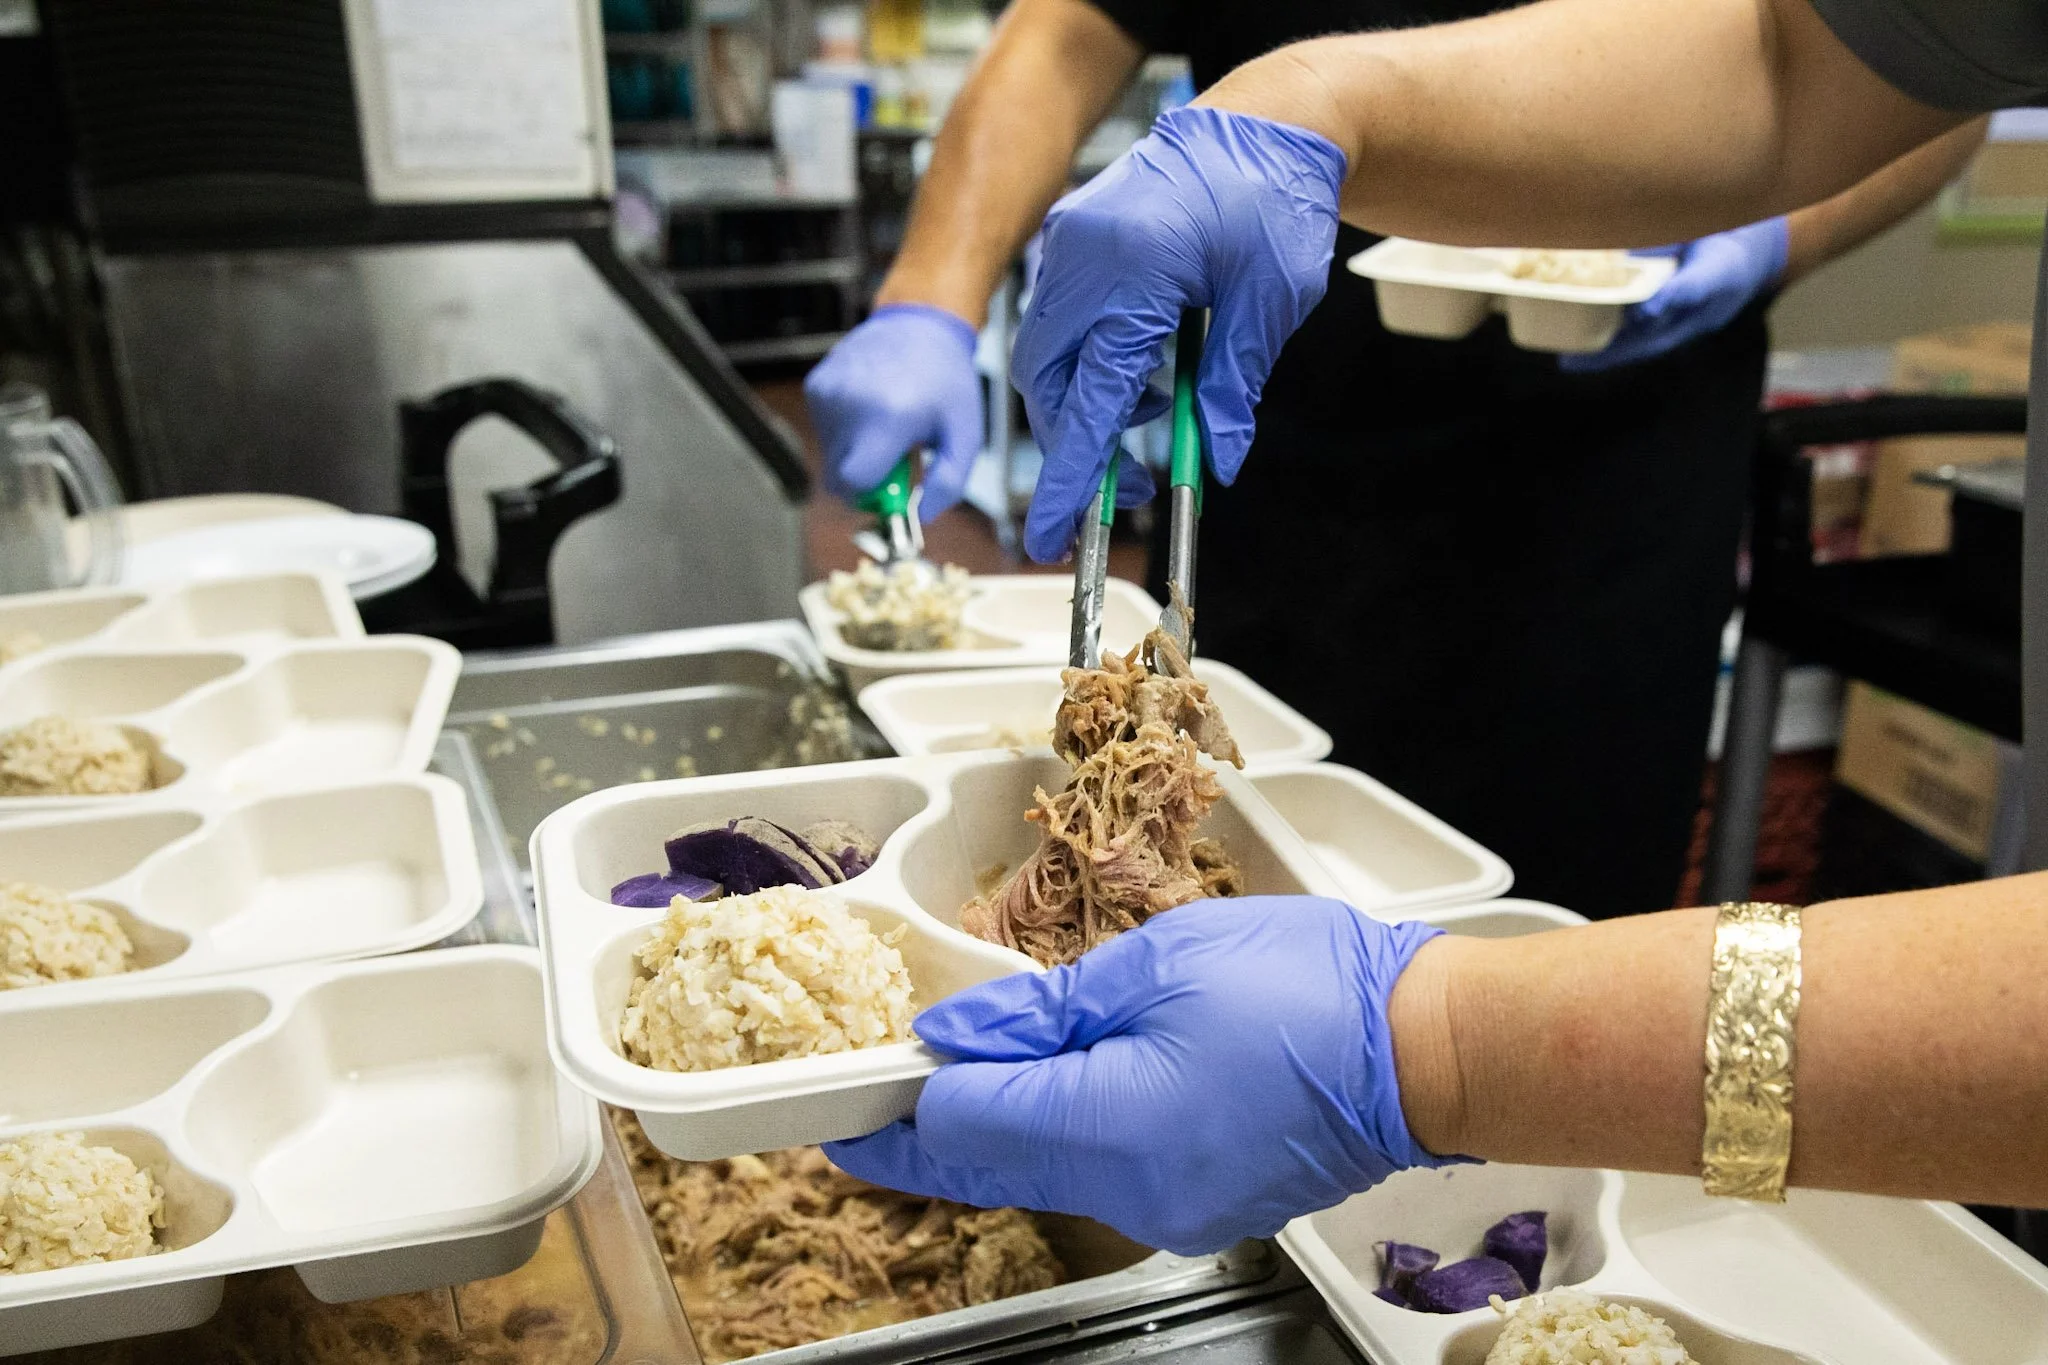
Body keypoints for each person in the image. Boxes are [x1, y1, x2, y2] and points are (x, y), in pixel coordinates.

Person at [822, 0, 2048, 1254]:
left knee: (1555, 904)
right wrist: (1305, 108)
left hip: (1614, 493)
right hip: (1307, 450)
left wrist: (1436, 1049)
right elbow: (1818, 57)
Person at [804, 0, 1985, 921]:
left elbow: (1897, 68)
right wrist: (926, 300)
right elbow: (1062, 34)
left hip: (1617, 474)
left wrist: (1774, 234)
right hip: (1280, 436)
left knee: (1556, 895)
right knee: (1218, 842)